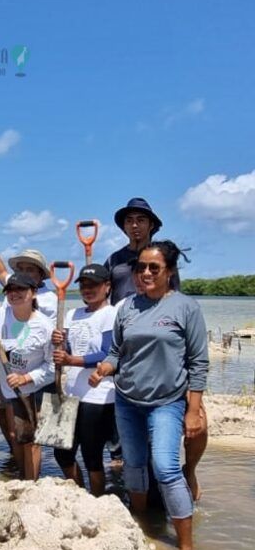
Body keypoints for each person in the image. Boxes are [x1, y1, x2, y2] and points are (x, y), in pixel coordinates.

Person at [90, 241, 208, 550]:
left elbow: (198, 363)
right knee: (134, 466)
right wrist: (104, 368)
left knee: (166, 468)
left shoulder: (186, 307)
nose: (145, 273)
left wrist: (193, 410)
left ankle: (186, 549)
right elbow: (117, 351)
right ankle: (143, 527)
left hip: (167, 401)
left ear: (169, 272)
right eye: (140, 267)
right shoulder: (127, 307)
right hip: (127, 400)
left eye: (153, 267)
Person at [103, 197, 201, 494]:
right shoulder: (114, 261)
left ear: (151, 225)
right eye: (129, 221)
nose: (134, 225)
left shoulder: (163, 258)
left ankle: (188, 473)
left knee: (187, 423)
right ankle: (134, 484)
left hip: (162, 347)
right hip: (128, 343)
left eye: (140, 220)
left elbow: (177, 308)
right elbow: (106, 299)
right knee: (128, 434)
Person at [0, 272, 55, 480]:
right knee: (16, 436)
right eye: (10, 290)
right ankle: (22, 479)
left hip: (37, 389)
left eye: (21, 289)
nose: (15, 294)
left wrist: (27, 378)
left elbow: (54, 367)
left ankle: (32, 483)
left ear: (33, 293)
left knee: (32, 440)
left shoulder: (45, 326)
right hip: (11, 389)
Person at [0, 236, 57, 451]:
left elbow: (53, 337)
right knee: (5, 414)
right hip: (4, 360)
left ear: (40, 276)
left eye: (30, 269)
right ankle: (15, 453)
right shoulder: (12, 287)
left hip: (36, 362)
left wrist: (28, 377)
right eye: (21, 268)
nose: (24, 273)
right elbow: (0, 271)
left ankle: (39, 466)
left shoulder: (49, 298)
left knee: (43, 431)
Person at [51, 264, 117, 496]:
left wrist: (71, 360)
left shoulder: (111, 314)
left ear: (107, 287)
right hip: (71, 392)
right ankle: (80, 495)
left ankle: (99, 501)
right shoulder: (72, 314)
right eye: (84, 285)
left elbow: (108, 353)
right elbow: (66, 349)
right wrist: (58, 340)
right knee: (62, 452)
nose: (88, 290)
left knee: (92, 455)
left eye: (94, 285)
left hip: (98, 395)